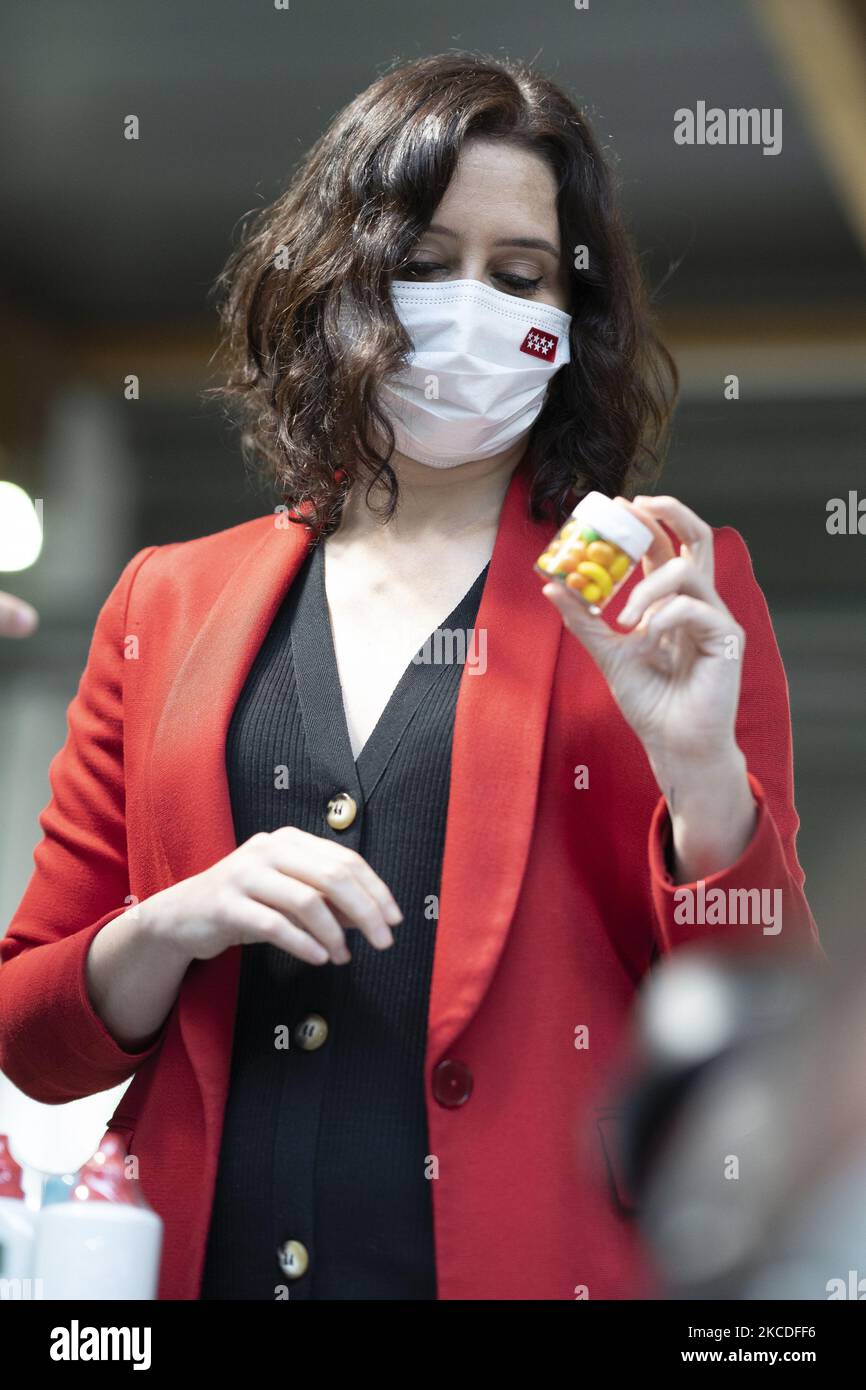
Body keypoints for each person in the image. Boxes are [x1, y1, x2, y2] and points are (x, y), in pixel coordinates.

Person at [0, 52, 820, 1301]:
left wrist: (701, 770)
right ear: (336, 282)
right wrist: (168, 921)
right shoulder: (164, 600)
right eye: (425, 263)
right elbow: (31, 1036)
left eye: (520, 273)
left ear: (570, 313)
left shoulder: (658, 592)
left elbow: (759, 1024)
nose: (471, 305)